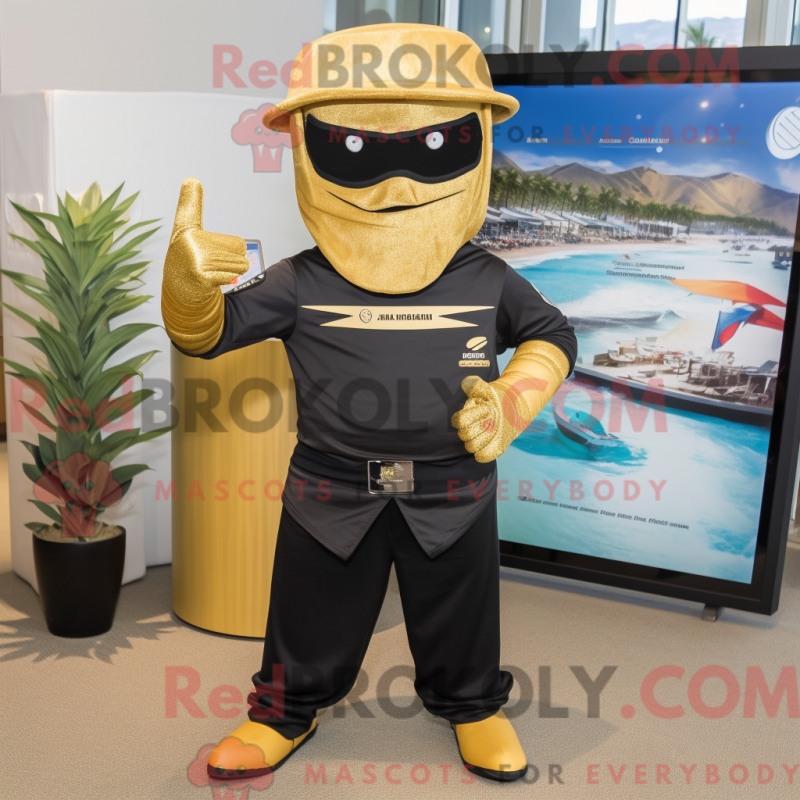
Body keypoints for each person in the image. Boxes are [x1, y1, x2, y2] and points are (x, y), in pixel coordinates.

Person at [161, 23, 577, 783]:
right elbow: (210, 335)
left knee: (462, 608)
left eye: (435, 147)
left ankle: (473, 704)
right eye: (354, 149)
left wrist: (514, 401)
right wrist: (188, 295)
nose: (397, 186)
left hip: (452, 487)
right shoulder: (301, 279)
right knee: (307, 607)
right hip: (330, 488)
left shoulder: (486, 277)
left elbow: (551, 335)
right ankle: (282, 712)